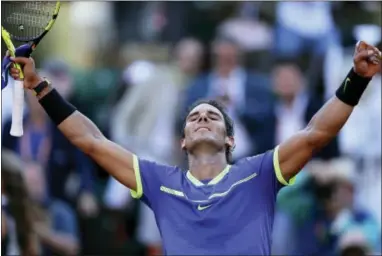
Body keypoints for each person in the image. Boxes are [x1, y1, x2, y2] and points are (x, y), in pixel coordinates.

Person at [7, 41, 381, 255]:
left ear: (230, 140)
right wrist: (40, 85)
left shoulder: (260, 173)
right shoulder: (158, 181)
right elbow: (90, 140)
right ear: (182, 141)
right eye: (195, 116)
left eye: (213, 116)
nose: (203, 117)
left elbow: (316, 133)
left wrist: (357, 78)